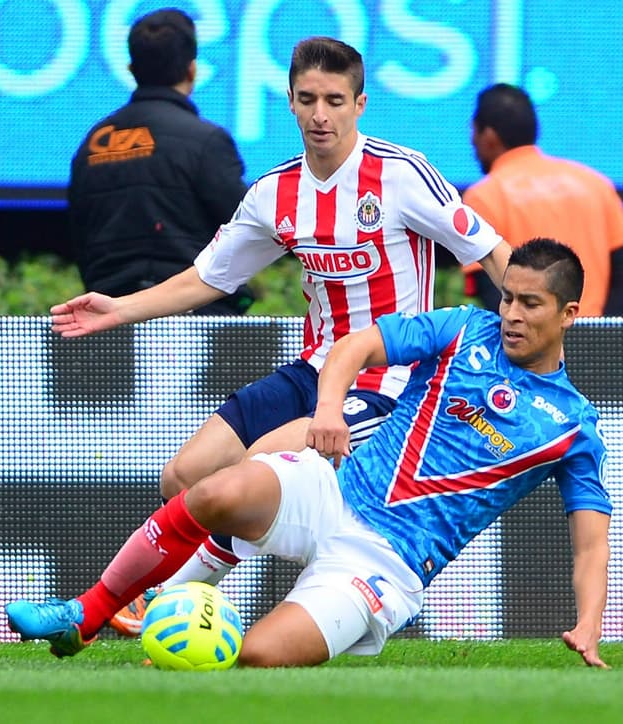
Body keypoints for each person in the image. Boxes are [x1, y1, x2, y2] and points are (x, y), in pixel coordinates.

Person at [50, 36, 512, 633]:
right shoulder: (275, 193)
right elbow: (208, 278)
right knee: (184, 476)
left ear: (360, 104)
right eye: (309, 99)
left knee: (257, 464)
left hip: (392, 383)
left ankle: (166, 603)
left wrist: (531, 340)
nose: (322, 114)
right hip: (315, 368)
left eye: (335, 100)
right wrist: (120, 308)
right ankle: (167, 605)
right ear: (289, 102)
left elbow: (493, 252)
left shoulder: (401, 176)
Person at [7, 238, 612, 668]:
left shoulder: (572, 426)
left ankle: (186, 626)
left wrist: (589, 624)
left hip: (386, 564)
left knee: (260, 656)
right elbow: (353, 347)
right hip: (335, 491)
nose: (510, 313)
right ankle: (83, 616)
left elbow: (590, 540)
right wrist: (327, 411)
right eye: (507, 298)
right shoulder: (462, 328)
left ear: (569, 314)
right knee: (217, 488)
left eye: (530, 304)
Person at [68, 8, 253, 316]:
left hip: (110, 322)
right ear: (192, 69)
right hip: (199, 320)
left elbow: (79, 238)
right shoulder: (207, 141)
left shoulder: (91, 146)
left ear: (130, 68)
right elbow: (249, 229)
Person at [461, 83, 623, 317]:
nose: (471, 141)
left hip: (532, 349)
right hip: (596, 343)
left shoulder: (484, 197)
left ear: (489, 136)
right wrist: (601, 342)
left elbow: (491, 291)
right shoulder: (595, 184)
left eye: (473, 131)